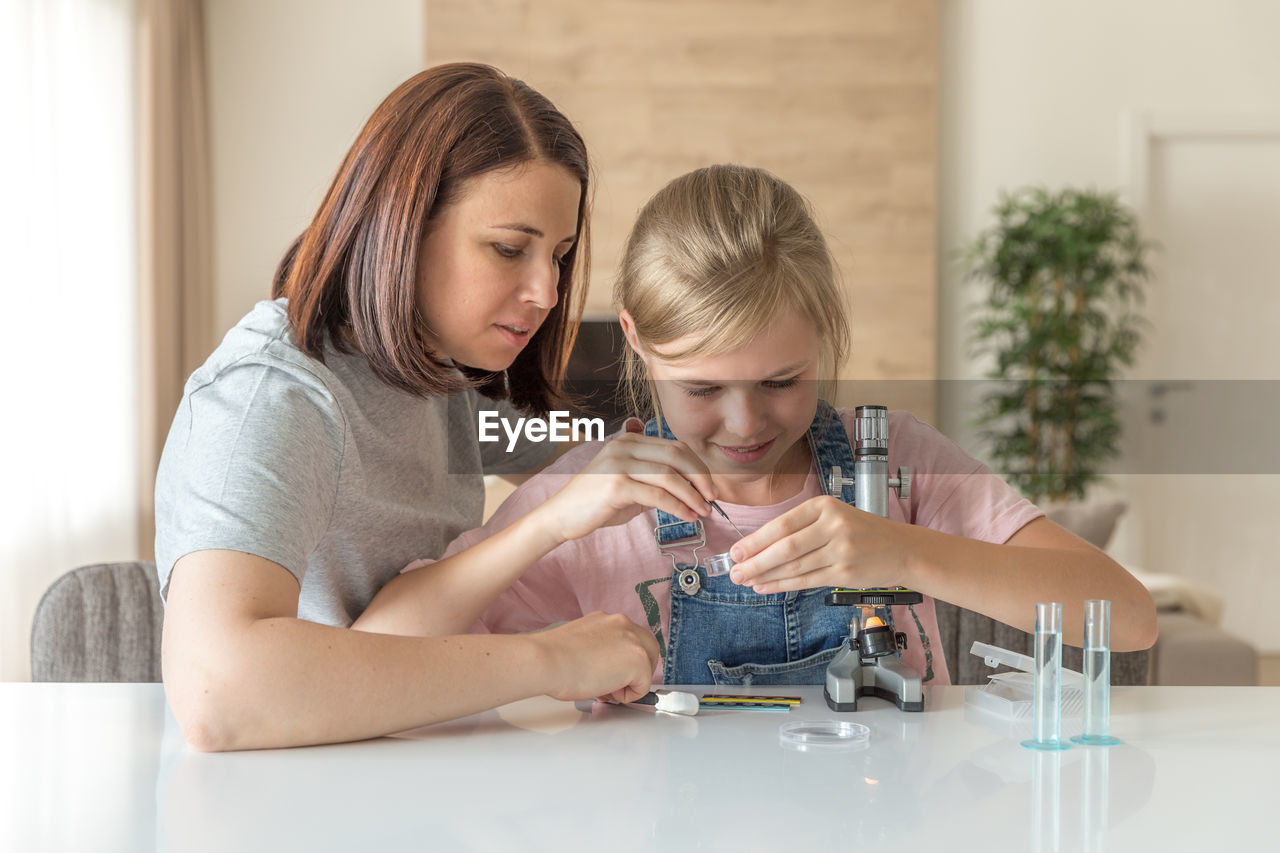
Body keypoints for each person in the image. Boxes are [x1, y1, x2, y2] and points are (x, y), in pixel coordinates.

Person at [355, 164, 1158, 687]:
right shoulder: (592, 499)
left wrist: (907, 550)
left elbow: (1126, 615)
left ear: (826, 333)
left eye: (781, 380)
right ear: (636, 338)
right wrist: (545, 527)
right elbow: (376, 653)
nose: (745, 422)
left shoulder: (899, 460)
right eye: (702, 386)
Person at [154, 63, 660, 752]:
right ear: (401, 225)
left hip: (398, 776)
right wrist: (555, 660)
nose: (546, 291)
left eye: (560, 255)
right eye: (509, 249)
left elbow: (574, 456)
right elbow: (223, 692)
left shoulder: (443, 375)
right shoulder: (271, 397)